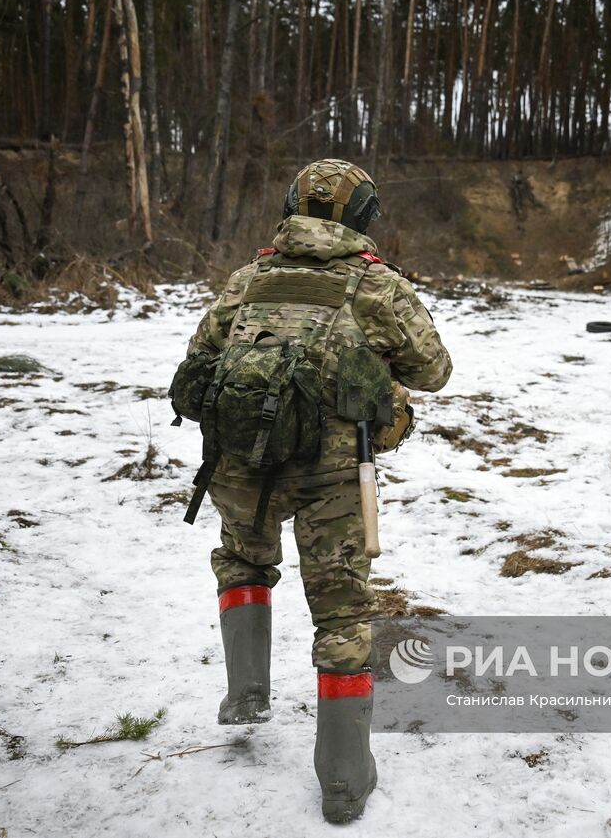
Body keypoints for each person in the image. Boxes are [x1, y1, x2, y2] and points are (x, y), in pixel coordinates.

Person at [177, 158, 452, 822]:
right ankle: (344, 778)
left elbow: (200, 352)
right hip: (333, 472)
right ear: (361, 217)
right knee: (343, 615)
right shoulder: (376, 285)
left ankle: (246, 691)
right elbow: (434, 369)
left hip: (243, 464)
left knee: (243, 561)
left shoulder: (251, 277)